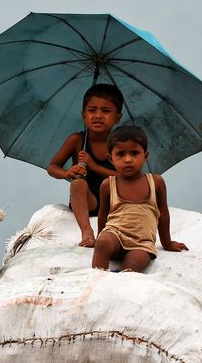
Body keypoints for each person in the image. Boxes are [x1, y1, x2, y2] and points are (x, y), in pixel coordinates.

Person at [92, 125, 187, 272]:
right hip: (115, 235)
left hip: (142, 243)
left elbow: (163, 215)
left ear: (145, 155)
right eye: (121, 154)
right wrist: (99, 240)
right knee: (103, 242)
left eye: (134, 153)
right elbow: (102, 216)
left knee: (133, 264)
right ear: (111, 158)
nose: (128, 159)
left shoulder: (156, 182)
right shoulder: (108, 184)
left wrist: (167, 243)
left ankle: (123, 280)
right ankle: (96, 278)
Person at [47, 83, 124, 247]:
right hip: (88, 201)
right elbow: (52, 167)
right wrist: (68, 172)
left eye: (105, 111)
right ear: (83, 115)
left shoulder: (121, 145)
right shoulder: (77, 140)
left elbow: (126, 177)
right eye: (92, 110)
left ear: (118, 117)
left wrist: (94, 166)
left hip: (113, 202)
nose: (98, 115)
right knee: (78, 184)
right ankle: (87, 232)